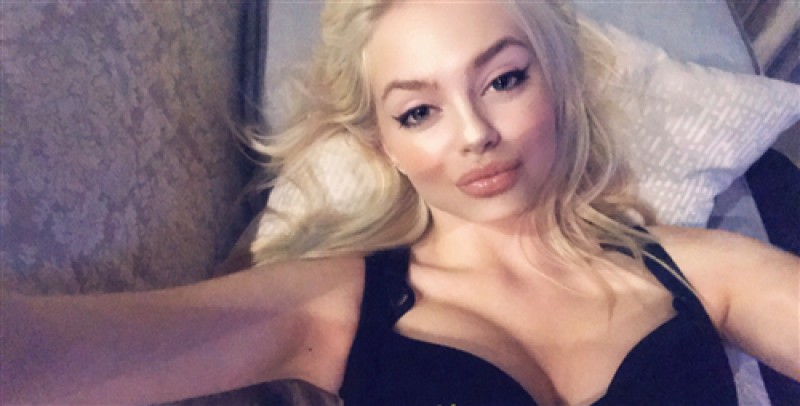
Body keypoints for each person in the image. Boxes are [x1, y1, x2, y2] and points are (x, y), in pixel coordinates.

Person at [2, 1, 798, 405]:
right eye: (418, 112)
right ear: (381, 142)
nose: (476, 134)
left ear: (556, 84)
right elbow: (40, 361)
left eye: (504, 79)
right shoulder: (334, 303)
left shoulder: (699, 270)